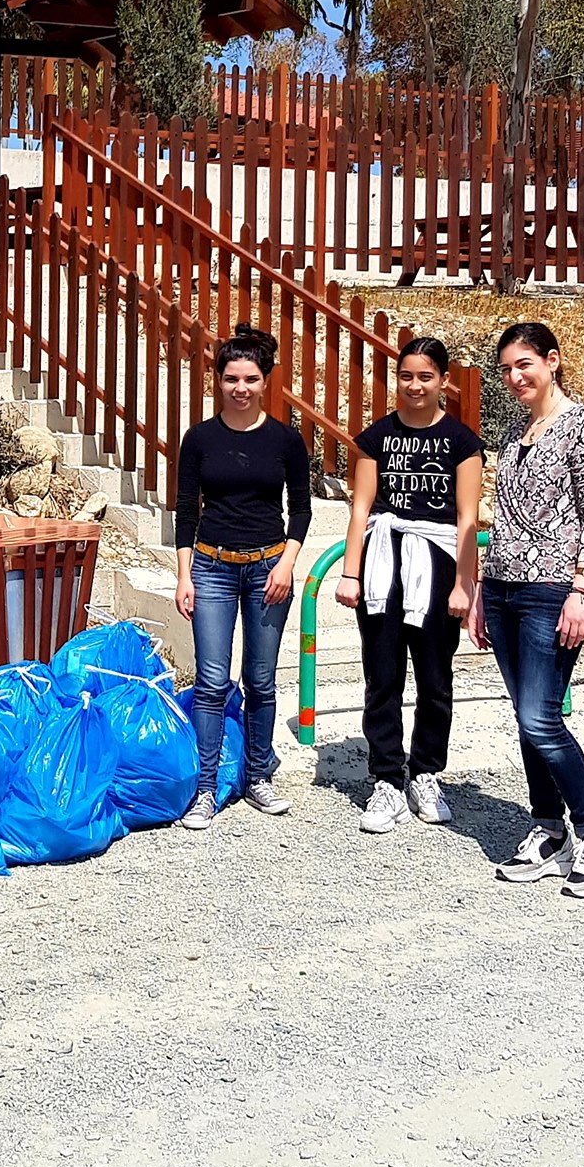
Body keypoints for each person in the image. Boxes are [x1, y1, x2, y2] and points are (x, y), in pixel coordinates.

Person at [471, 321, 584, 899]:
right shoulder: (516, 434)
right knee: (525, 715)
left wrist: (583, 590)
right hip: (506, 587)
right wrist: (486, 588)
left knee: (542, 718)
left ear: (552, 361)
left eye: (525, 365)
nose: (515, 377)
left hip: (553, 591)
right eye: (507, 368)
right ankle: (547, 828)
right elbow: (504, 520)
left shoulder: (582, 427)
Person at [336, 337, 482, 834]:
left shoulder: (462, 442)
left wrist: (466, 584)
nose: (415, 385)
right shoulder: (376, 437)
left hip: (438, 562)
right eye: (405, 376)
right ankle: (386, 780)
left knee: (436, 679)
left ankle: (425, 772)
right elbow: (361, 508)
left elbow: (466, 518)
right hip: (383, 562)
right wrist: (351, 572)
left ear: (443, 381)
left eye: (425, 376)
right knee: (382, 675)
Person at [174, 323, 311, 832]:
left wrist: (287, 563)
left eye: (250, 378)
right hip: (210, 565)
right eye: (231, 378)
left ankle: (258, 774)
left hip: (268, 569)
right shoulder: (200, 439)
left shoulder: (285, 440)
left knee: (261, 679)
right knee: (211, 680)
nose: (240, 388)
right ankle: (206, 788)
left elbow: (300, 509)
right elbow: (186, 511)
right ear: (218, 380)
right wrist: (184, 575)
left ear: (265, 380)